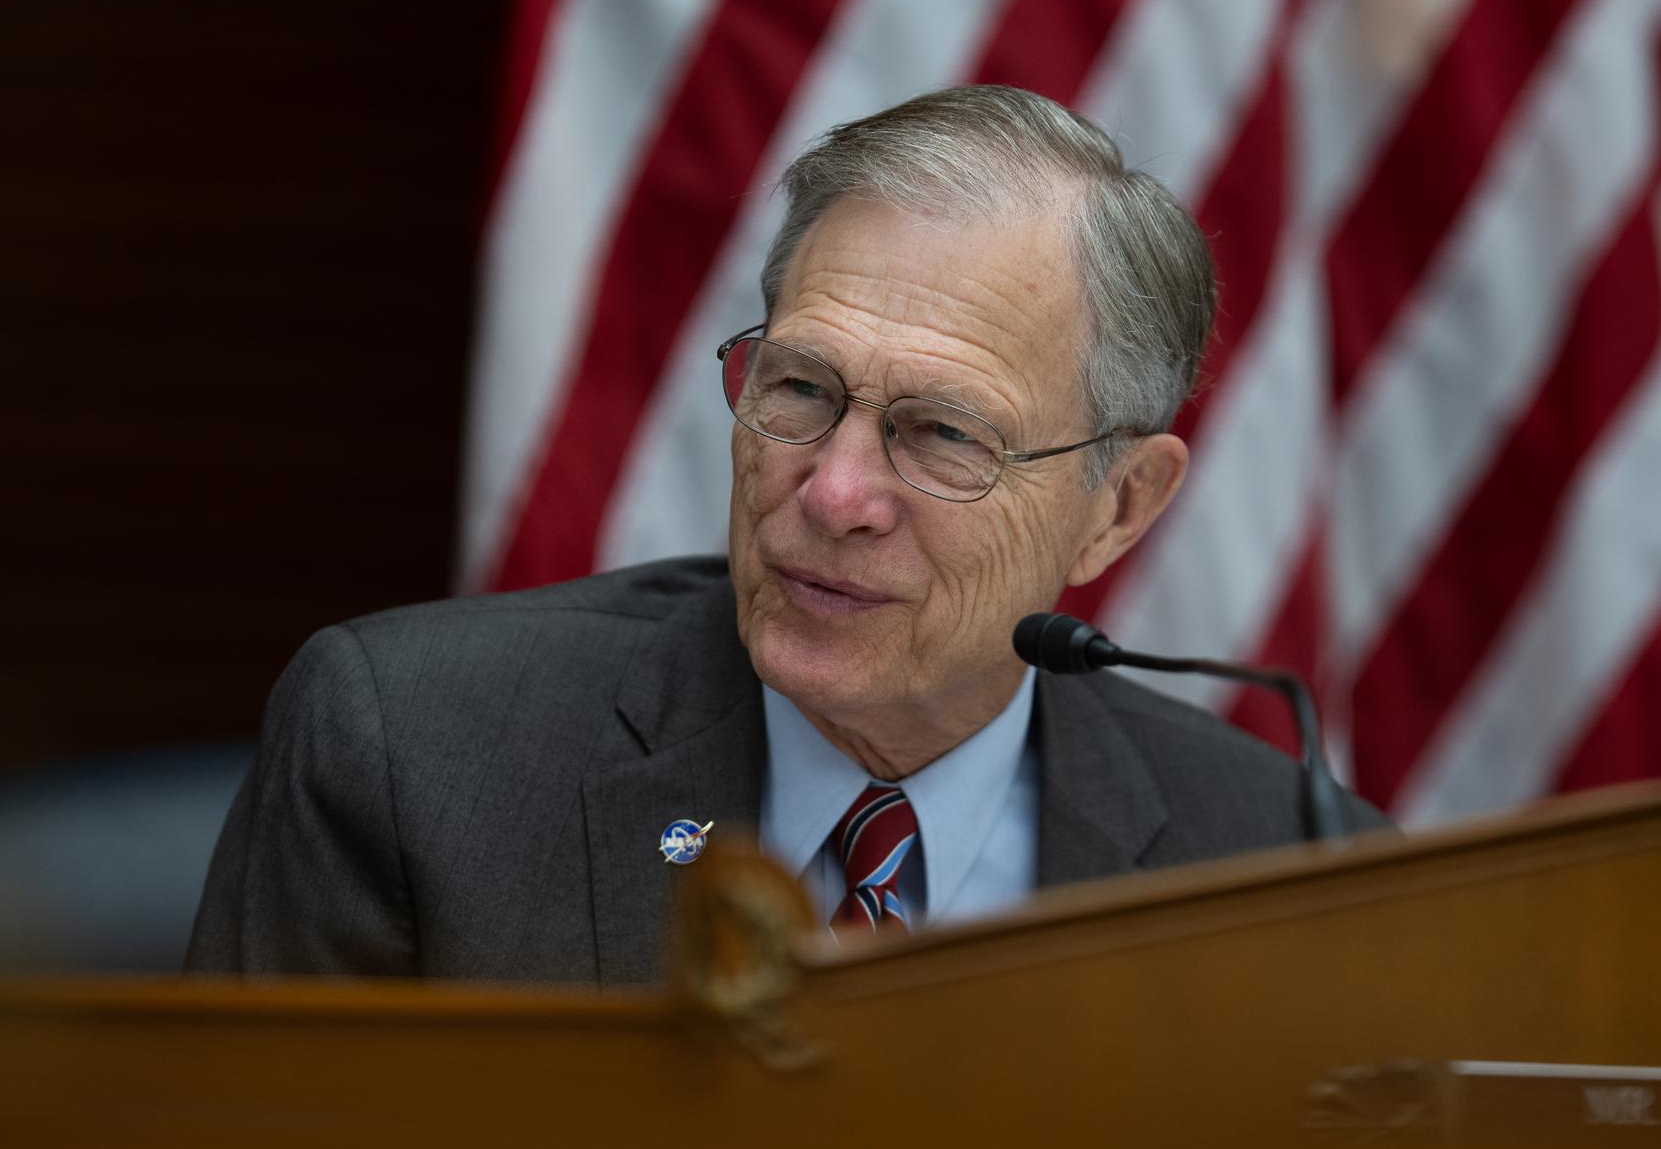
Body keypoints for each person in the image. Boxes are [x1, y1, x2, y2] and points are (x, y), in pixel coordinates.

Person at [187, 85, 1388, 984]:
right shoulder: (415, 756)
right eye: (803, 391)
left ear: (1119, 507)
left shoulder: (1280, 873)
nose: (833, 493)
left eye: (942, 436)